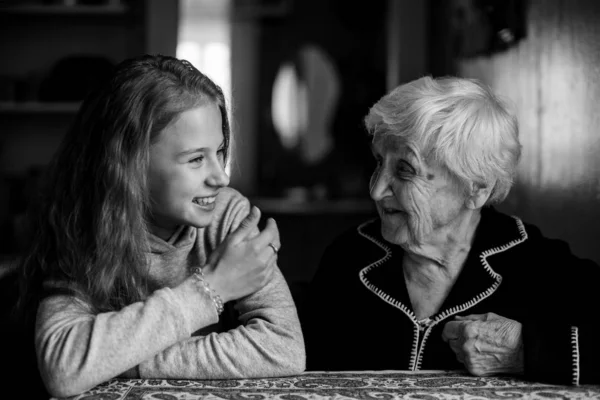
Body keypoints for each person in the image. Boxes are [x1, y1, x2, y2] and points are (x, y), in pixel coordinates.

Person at [14, 54, 305, 398]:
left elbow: (283, 349)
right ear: (129, 164)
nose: (221, 177)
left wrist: (119, 360)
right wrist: (210, 288)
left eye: (220, 151)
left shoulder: (229, 219)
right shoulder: (83, 227)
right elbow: (64, 369)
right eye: (196, 159)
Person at [301, 76, 600, 385]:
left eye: (405, 169)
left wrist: (526, 351)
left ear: (476, 189)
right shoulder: (350, 257)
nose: (376, 190)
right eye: (379, 162)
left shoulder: (537, 265)